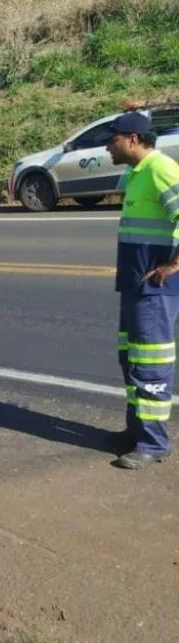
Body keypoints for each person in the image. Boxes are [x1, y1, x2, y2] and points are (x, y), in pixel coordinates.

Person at [107, 110, 179, 469]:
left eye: (113, 139)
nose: (108, 146)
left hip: (156, 290)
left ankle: (154, 443)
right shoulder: (136, 173)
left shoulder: (160, 169)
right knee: (131, 359)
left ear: (132, 140)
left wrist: (174, 265)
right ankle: (137, 431)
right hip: (135, 286)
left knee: (151, 365)